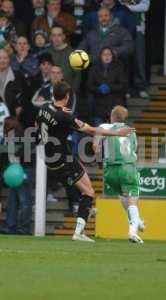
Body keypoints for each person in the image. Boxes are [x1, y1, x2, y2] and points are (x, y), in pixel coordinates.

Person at [36, 81, 134, 242]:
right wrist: (117, 133)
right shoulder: (65, 116)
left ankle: (85, 207)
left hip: (48, 157)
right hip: (62, 157)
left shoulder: (44, 108)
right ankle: (79, 231)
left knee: (83, 183)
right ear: (67, 96)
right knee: (88, 191)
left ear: (53, 94)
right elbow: (90, 130)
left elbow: (38, 124)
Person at [93, 105, 145, 243]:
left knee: (123, 195)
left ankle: (137, 220)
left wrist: (99, 158)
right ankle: (133, 229)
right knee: (133, 197)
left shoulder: (104, 127)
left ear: (112, 116)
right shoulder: (131, 131)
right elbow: (134, 150)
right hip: (127, 168)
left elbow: (95, 147)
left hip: (110, 171)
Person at [2, 116, 33, 235]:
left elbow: (30, 146)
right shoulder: (8, 138)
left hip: (23, 170)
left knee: (23, 201)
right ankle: (12, 226)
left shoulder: (22, 135)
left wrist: (17, 152)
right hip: (13, 171)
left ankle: (22, 228)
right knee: (12, 201)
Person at [87, 47, 128, 126]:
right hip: (98, 105)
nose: (107, 56)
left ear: (112, 56)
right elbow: (89, 85)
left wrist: (110, 87)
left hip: (114, 105)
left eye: (109, 54)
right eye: (104, 54)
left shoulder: (119, 67)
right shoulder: (94, 68)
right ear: (100, 56)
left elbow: (123, 85)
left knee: (114, 134)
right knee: (100, 134)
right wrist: (98, 89)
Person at [121, 0, 151, 99]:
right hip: (123, 30)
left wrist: (127, 7)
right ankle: (126, 89)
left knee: (139, 59)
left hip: (138, 30)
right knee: (125, 60)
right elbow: (117, 5)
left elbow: (145, 7)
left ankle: (141, 88)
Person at [47, 25, 80, 92]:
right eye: (54, 35)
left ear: (63, 36)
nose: (56, 38)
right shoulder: (47, 52)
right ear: (50, 37)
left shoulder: (73, 53)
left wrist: (72, 92)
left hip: (67, 92)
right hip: (49, 92)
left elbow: (77, 76)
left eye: (59, 35)